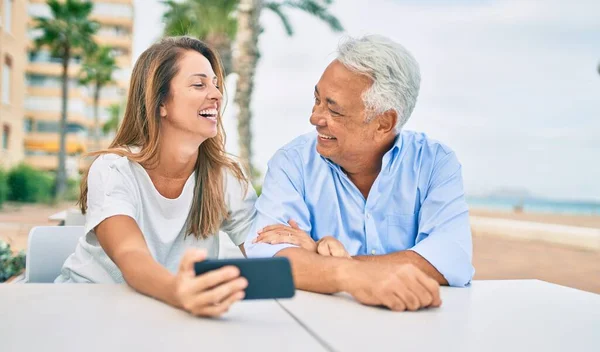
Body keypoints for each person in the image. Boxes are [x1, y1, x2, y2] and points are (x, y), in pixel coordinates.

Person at [245, 35, 474, 311]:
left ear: (384, 123)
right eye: (316, 99)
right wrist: (348, 275)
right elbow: (268, 257)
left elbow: (452, 258)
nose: (315, 117)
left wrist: (327, 262)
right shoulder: (291, 163)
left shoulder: (435, 162)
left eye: (333, 109)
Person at [55, 37, 257, 318]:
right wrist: (179, 292)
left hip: (170, 314)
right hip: (86, 310)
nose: (216, 94)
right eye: (199, 84)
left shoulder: (227, 176)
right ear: (161, 101)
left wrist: (315, 249)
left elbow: (267, 250)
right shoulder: (114, 169)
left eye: (216, 84)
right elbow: (130, 254)